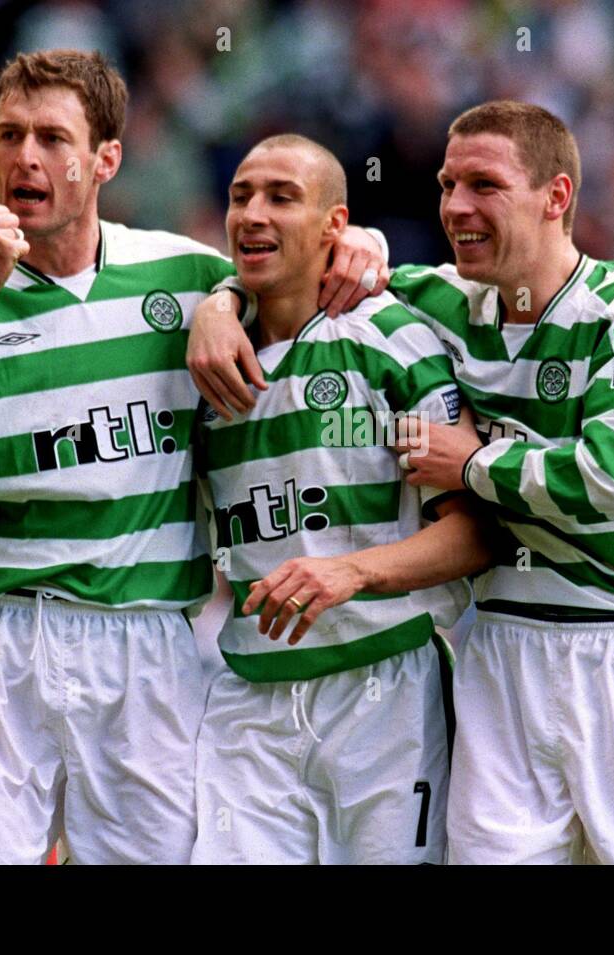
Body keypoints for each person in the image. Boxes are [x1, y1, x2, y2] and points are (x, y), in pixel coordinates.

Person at [188, 101, 614, 864]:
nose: (455, 206)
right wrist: (220, 303)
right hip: (501, 651)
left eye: (484, 185)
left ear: (557, 197)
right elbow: (299, 268)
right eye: (448, 185)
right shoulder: (444, 303)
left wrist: (471, 462)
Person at [0, 49, 385, 864]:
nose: (25, 157)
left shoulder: (185, 274)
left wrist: (352, 245)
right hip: (2, 634)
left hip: (147, 641)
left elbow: (302, 267)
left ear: (106, 158)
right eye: (10, 135)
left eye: (53, 137)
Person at [189, 134, 490, 864]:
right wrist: (214, 304)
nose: (253, 215)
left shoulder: (392, 341)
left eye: (282, 197)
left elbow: (476, 534)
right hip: (249, 696)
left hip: (384, 692)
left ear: (336, 225)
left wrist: (352, 572)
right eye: (240, 196)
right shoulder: (204, 363)